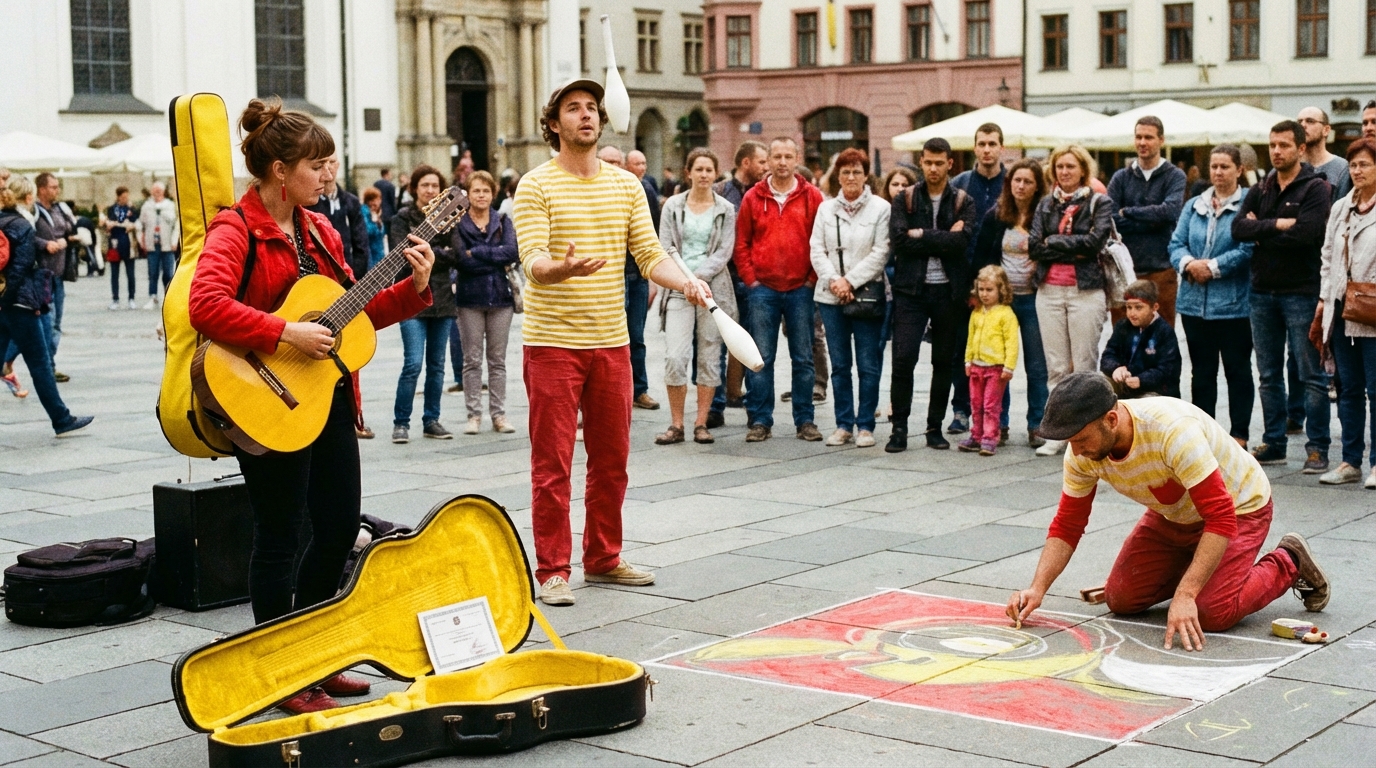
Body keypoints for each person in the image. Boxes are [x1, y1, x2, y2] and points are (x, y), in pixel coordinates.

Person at [188, 99, 434, 714]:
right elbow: (206, 306)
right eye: (318, 165)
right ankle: (281, 672)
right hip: (262, 399)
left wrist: (415, 287)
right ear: (279, 170)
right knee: (279, 535)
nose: (329, 176)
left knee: (335, 528)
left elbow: (353, 313)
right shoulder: (235, 229)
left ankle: (315, 660)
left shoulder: (320, 231)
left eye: (329, 164)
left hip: (323, 399)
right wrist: (282, 332)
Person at [514, 78, 710, 607]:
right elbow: (532, 261)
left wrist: (686, 279)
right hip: (552, 344)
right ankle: (553, 569)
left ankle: (602, 558)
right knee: (552, 464)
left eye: (592, 109)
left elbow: (650, 255)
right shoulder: (534, 185)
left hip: (612, 343)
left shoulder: (625, 186)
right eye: (573, 108)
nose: (586, 115)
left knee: (612, 460)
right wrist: (562, 267)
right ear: (553, 123)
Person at [1006, 373, 1331, 651]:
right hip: (1175, 513)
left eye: (1079, 439)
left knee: (1210, 613)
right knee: (1121, 599)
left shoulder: (1171, 431)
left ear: (1111, 419)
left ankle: (1288, 560)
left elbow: (1220, 517)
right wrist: (1038, 588)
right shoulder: (1083, 452)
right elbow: (1068, 523)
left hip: (1239, 507)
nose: (1076, 451)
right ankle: (1200, 569)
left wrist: (1187, 594)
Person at [1233, 120, 1335, 473]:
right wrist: (1278, 224)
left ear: (1301, 149)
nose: (1276, 151)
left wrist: (1260, 228)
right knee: (1268, 374)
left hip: (1301, 292)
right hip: (1262, 292)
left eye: (1284, 145)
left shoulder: (1316, 188)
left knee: (1311, 374)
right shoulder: (1262, 186)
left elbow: (1308, 234)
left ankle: (1317, 447)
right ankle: (1274, 442)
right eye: (1272, 145)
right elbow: (1238, 229)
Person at [886, 137, 978, 453]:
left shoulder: (963, 200)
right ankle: (898, 429)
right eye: (928, 162)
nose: (934, 168)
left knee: (943, 361)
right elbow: (899, 241)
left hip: (948, 291)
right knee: (903, 358)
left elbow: (962, 242)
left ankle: (934, 428)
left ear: (950, 163)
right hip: (912, 291)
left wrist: (921, 234)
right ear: (921, 162)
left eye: (940, 162)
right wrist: (940, 237)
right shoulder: (906, 198)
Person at [735, 137, 825, 443]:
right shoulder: (752, 197)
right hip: (763, 289)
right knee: (760, 357)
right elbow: (742, 243)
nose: (782, 162)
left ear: (797, 158)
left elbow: (820, 240)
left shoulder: (812, 196)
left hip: (801, 287)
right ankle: (760, 420)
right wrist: (751, 280)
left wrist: (812, 279)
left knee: (803, 357)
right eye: (777, 156)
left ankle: (805, 420)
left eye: (788, 156)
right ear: (769, 160)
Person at [1028, 145, 1113, 457]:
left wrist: (1056, 241)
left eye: (1071, 166)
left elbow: (1093, 243)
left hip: (1086, 291)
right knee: (1057, 366)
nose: (1064, 172)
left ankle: (1089, 430)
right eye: (1059, 166)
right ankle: (1058, 431)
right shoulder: (1045, 205)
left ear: (1082, 170)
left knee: (1085, 365)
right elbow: (1035, 247)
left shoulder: (1098, 202)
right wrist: (1067, 246)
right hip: (1048, 290)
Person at [1169, 144, 1255, 447]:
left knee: (1237, 370)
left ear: (1239, 170)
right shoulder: (1194, 204)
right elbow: (1176, 243)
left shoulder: (1248, 203)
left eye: (1225, 167)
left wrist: (1214, 267)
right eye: (1214, 167)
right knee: (1202, 374)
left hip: (1233, 305)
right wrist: (1189, 264)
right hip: (1194, 304)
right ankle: (1204, 434)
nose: (1218, 173)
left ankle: (1239, 435)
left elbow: (1248, 247)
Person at [654, 148, 738, 446]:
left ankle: (701, 423)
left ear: (716, 174)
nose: (703, 175)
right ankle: (676, 424)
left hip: (713, 291)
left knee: (709, 356)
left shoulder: (726, 208)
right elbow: (665, 247)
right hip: (677, 288)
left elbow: (724, 251)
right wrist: (686, 281)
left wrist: (699, 279)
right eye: (698, 169)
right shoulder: (672, 206)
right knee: (675, 357)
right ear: (688, 172)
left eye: (709, 170)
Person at [810, 147, 890, 448]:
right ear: (838, 176)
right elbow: (816, 248)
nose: (852, 177)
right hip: (830, 297)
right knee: (841, 364)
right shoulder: (825, 209)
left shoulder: (881, 208)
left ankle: (865, 425)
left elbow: (881, 251)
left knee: (868, 364)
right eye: (846, 172)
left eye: (857, 171)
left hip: (866, 295)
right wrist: (834, 281)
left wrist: (850, 281)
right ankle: (843, 424)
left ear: (866, 174)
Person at [0, 175, 92, 435]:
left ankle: (61, 417)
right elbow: (22, 268)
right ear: (29, 198)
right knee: (40, 363)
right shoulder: (23, 226)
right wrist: (8, 299)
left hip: (5, 305)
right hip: (21, 304)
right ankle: (62, 419)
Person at [972, 159, 1049, 447]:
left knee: (1037, 365)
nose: (1020, 186)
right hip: (1002, 302)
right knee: (996, 364)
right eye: (1016, 180)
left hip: (1034, 298)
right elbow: (981, 254)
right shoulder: (996, 215)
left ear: (1037, 186)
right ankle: (997, 424)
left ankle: (1037, 424)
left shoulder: (1045, 215)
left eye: (1028, 181)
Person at [1315, 138, 1376, 486]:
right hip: (1341, 308)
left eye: (1364, 164)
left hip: (1372, 309)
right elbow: (1326, 256)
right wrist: (1326, 297)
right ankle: (1350, 461)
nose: (1357, 171)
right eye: (1353, 165)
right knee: (1348, 387)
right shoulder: (1341, 207)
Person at [946, 123, 1009, 437]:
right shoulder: (959, 183)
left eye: (992, 143)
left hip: (1003, 278)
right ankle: (961, 410)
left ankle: (1001, 417)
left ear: (1001, 147)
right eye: (982, 143)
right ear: (974, 147)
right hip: (963, 275)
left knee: (1000, 351)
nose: (987, 149)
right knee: (964, 348)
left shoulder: (1012, 182)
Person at [389, 164, 460, 443]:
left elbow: (455, 255)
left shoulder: (450, 216)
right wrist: (435, 252)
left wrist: (429, 254)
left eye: (434, 186)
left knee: (437, 364)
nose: (430, 190)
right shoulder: (401, 218)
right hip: (411, 298)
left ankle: (432, 419)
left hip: (442, 297)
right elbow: (402, 257)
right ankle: (401, 422)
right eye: (425, 185)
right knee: (413, 363)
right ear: (414, 189)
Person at [453, 170, 518, 435]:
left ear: (494, 194)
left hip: (500, 298)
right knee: (471, 360)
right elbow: (460, 259)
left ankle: (499, 414)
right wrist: (493, 259)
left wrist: (477, 252)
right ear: (468, 194)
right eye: (476, 190)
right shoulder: (458, 223)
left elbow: (513, 252)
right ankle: (474, 415)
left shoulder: (502, 220)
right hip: (469, 298)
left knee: (497, 359)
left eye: (486, 191)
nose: (481, 195)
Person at [1106, 116, 1187, 327]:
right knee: (1124, 339)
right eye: (1138, 137)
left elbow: (1170, 212)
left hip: (1161, 270)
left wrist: (1129, 212)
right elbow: (1111, 220)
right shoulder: (1121, 178)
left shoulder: (1174, 176)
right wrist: (1153, 221)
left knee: (1163, 337)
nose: (1142, 142)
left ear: (1161, 140)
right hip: (1125, 272)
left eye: (1148, 137)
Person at [710, 140, 768, 421]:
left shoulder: (762, 193)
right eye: (761, 162)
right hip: (725, 277)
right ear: (746, 163)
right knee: (719, 341)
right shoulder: (721, 192)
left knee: (749, 341)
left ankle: (738, 394)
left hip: (752, 277)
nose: (765, 168)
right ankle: (717, 403)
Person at [598, 145, 659, 412]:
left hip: (636, 274)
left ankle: (640, 389)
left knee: (636, 335)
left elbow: (652, 236)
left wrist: (654, 277)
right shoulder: (594, 190)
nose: (612, 165)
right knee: (607, 339)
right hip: (607, 276)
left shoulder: (639, 189)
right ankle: (611, 392)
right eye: (607, 160)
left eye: (616, 161)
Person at [960, 264, 1018, 456]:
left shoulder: (1006, 314)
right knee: (975, 403)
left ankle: (990, 437)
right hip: (977, 365)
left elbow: (1012, 343)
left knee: (991, 405)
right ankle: (976, 435)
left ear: (1000, 290)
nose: (984, 294)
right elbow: (970, 337)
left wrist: (1009, 366)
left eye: (989, 290)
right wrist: (968, 360)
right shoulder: (976, 313)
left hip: (995, 367)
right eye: (981, 290)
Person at [1100, 279, 1182, 399]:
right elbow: (1108, 355)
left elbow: (1168, 370)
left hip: (1155, 390)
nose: (1132, 313)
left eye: (1138, 308)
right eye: (1129, 307)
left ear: (1154, 307)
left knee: (1148, 402)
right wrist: (1116, 368)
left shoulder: (1164, 332)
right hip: (1126, 384)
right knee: (1100, 384)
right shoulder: (1122, 326)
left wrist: (1141, 380)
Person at [307, 154, 370, 279]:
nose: (328, 167)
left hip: (348, 275)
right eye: (323, 163)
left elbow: (361, 246)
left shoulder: (351, 202)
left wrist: (353, 277)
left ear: (338, 164)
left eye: (332, 162)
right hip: (319, 278)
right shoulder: (307, 203)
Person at [138, 182, 179, 308]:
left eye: (159, 190)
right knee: (153, 272)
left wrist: (174, 241)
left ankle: (168, 297)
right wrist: (141, 240)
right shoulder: (147, 206)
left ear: (163, 191)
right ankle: (153, 297)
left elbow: (176, 225)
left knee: (168, 273)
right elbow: (141, 224)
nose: (157, 192)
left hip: (167, 244)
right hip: (152, 244)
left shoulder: (170, 205)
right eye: (155, 190)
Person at [1298, 107, 1353, 202]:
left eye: (1310, 121)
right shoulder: (1287, 165)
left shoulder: (1342, 168)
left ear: (1326, 130)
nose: (1303, 125)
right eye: (1299, 122)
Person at [103, 186, 139, 310]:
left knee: (130, 273)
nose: (125, 199)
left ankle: (131, 298)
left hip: (128, 244)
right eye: (123, 197)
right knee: (114, 273)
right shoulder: (112, 209)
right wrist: (108, 225)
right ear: (118, 197)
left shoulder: (131, 208)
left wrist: (133, 226)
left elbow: (137, 222)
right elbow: (107, 224)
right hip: (115, 243)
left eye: (127, 196)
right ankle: (115, 299)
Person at [360, 186, 387, 269]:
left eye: (378, 200)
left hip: (379, 254)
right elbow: (367, 232)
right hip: (370, 255)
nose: (375, 203)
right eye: (372, 200)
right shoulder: (364, 212)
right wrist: (374, 221)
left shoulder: (375, 213)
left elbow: (382, 233)